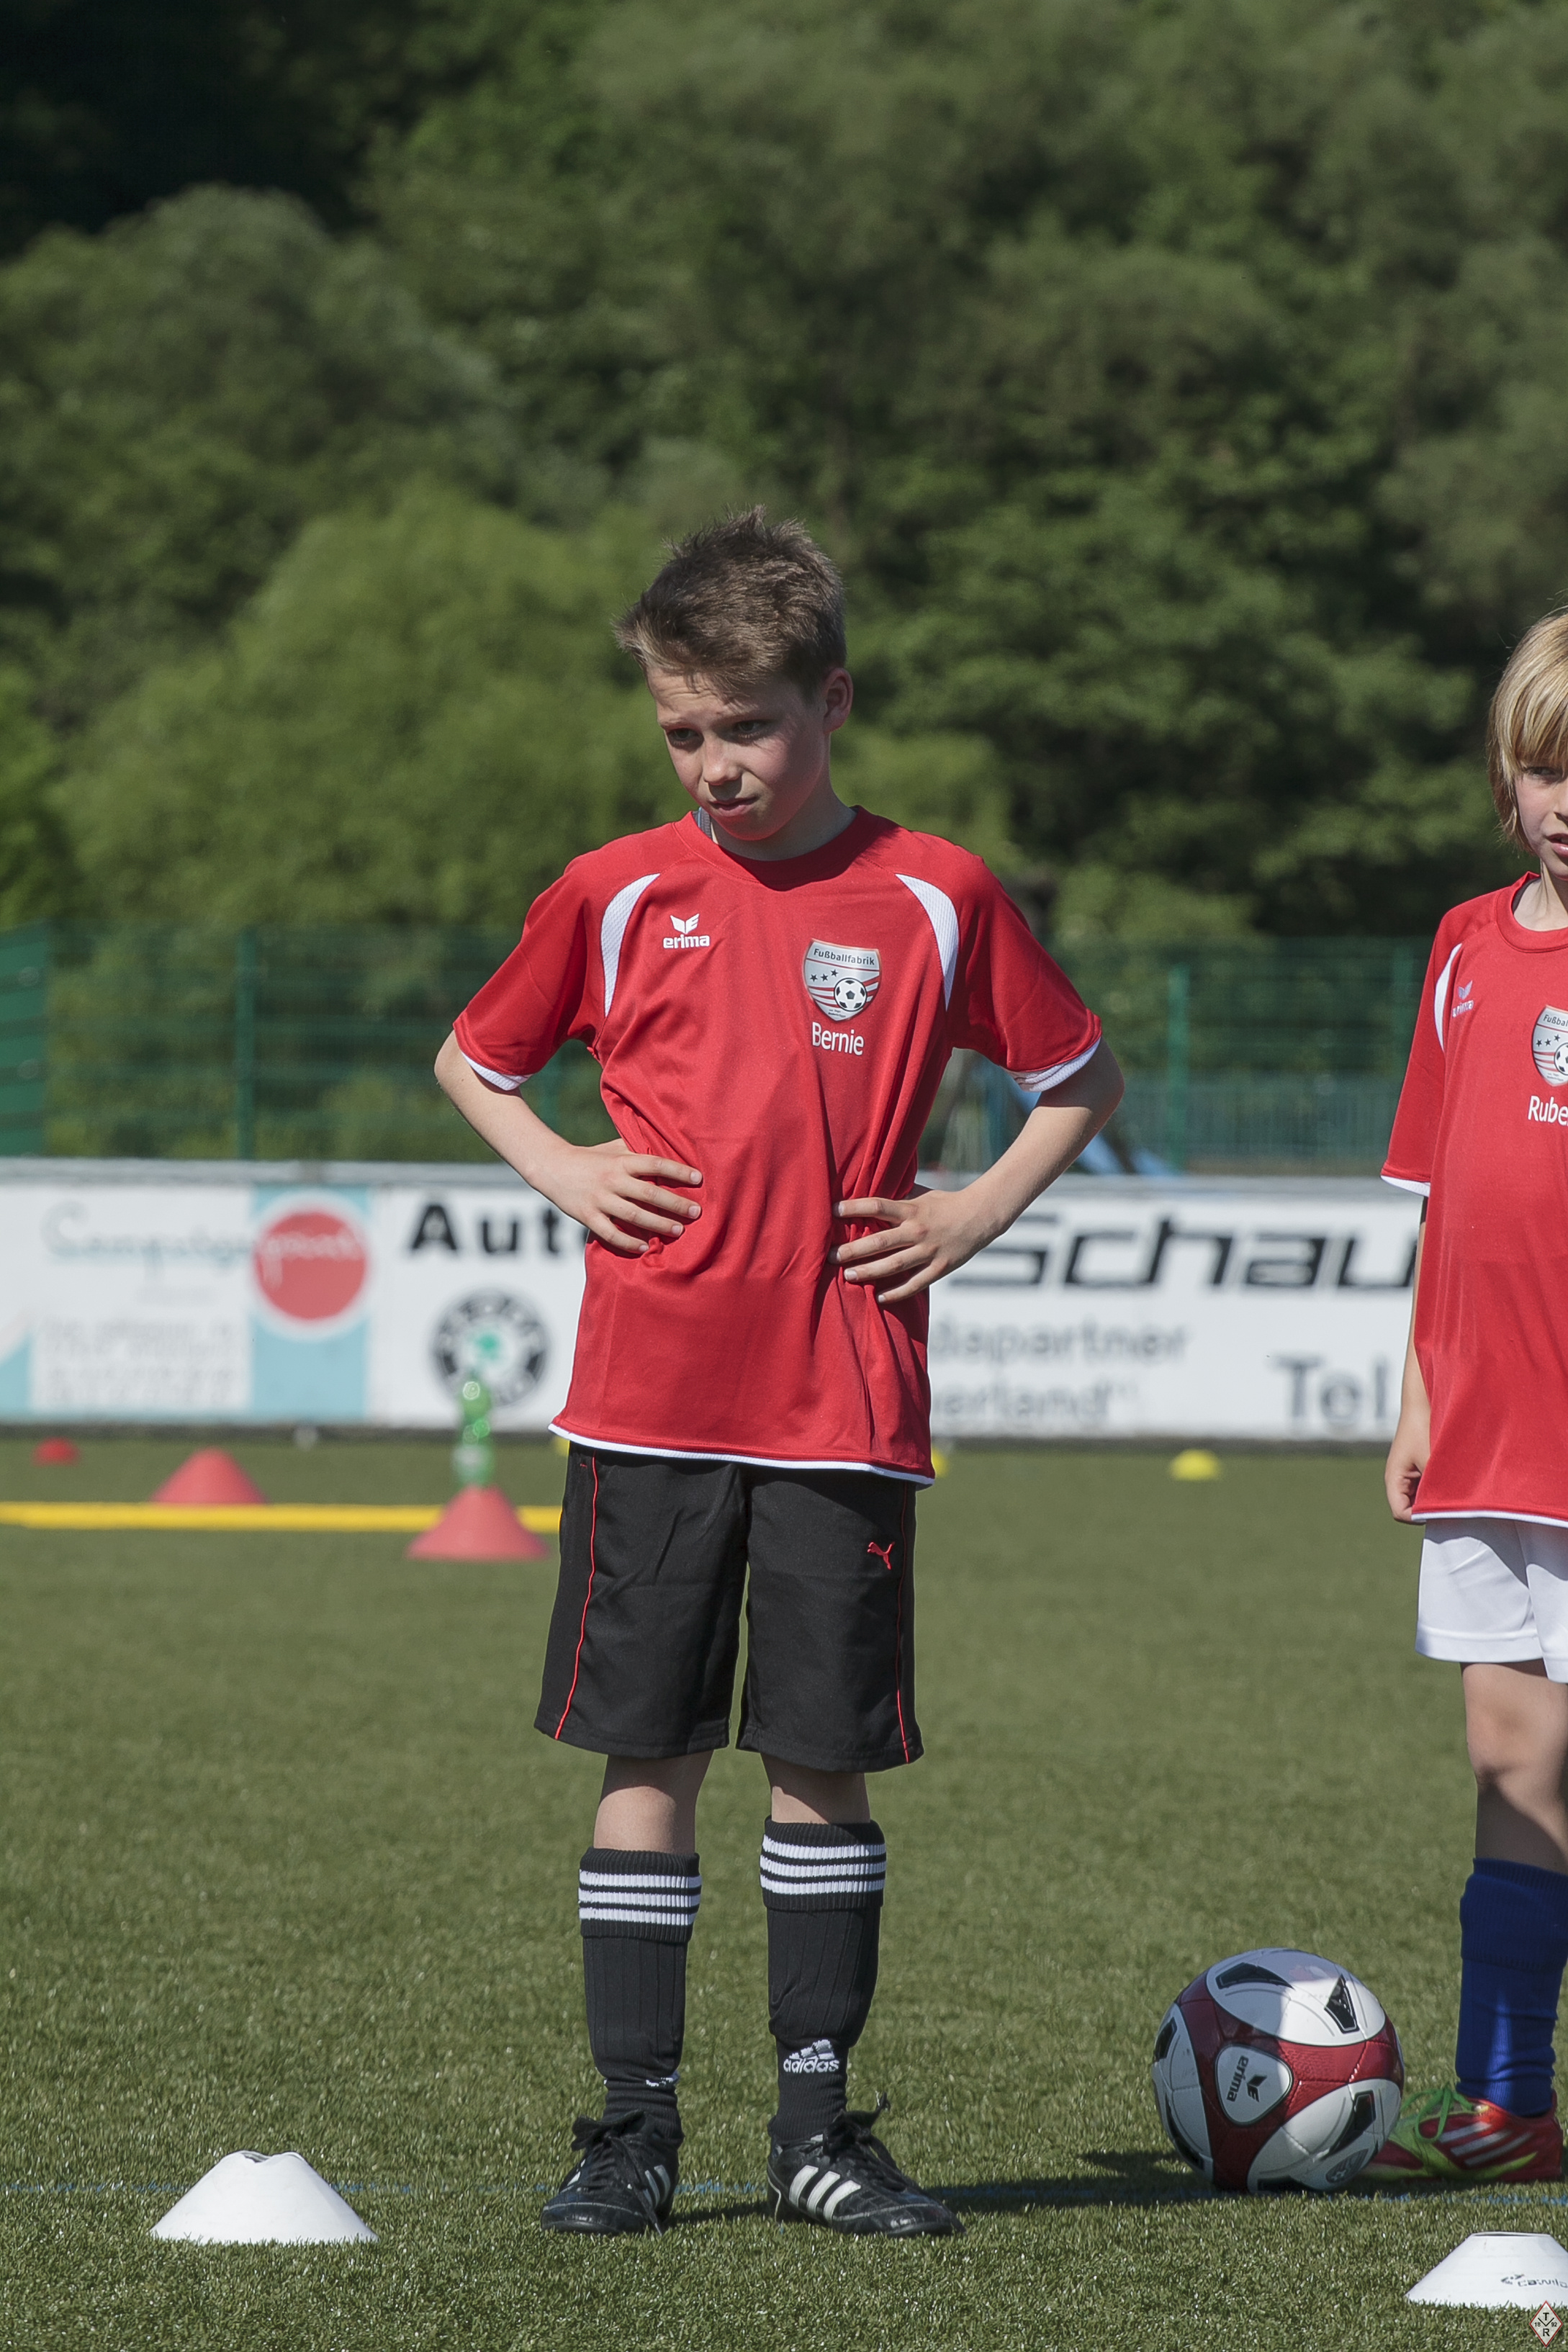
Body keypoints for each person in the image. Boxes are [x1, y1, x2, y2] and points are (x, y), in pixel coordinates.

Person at [434, 508, 1123, 2235]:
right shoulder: (613, 888)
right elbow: (472, 1057)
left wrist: (970, 1209)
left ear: (834, 700)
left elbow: (1080, 1080)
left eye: (746, 724)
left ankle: (817, 2128)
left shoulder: (938, 892)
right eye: (683, 730)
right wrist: (567, 1167)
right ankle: (632, 2130)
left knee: (821, 1760)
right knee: (648, 1753)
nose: (715, 764)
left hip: (845, 1406)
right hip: (647, 1400)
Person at [1369, 609, 1568, 2184]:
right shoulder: (1461, 946)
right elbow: (1444, 1195)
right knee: (1509, 1759)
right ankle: (1506, 2103)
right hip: (1489, 1434)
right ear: (1508, 782)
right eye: (1547, 769)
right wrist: (1418, 1393)